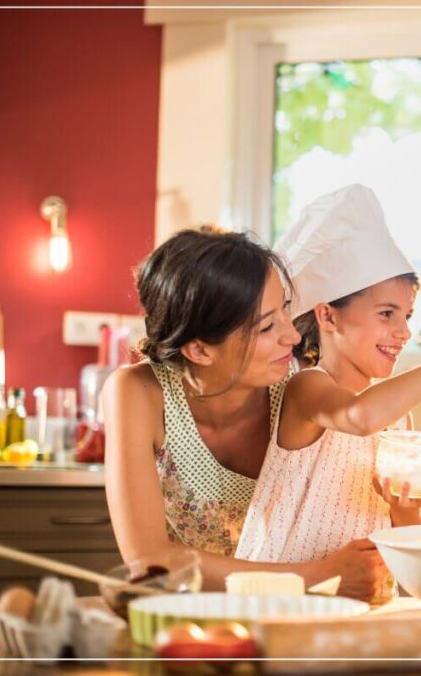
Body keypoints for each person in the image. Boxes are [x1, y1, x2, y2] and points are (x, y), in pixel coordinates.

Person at [236, 185, 421, 601]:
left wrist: (406, 506)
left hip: (360, 606)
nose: (403, 332)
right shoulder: (307, 388)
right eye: (386, 314)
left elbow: (409, 546)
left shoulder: (396, 417)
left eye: (407, 316)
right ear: (327, 315)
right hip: (282, 601)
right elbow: (359, 417)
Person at [103, 227, 388, 600]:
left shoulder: (300, 385)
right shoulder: (138, 393)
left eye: (286, 309)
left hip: (291, 617)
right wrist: (316, 576)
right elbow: (149, 560)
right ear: (200, 350)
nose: (294, 337)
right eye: (267, 326)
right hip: (191, 623)